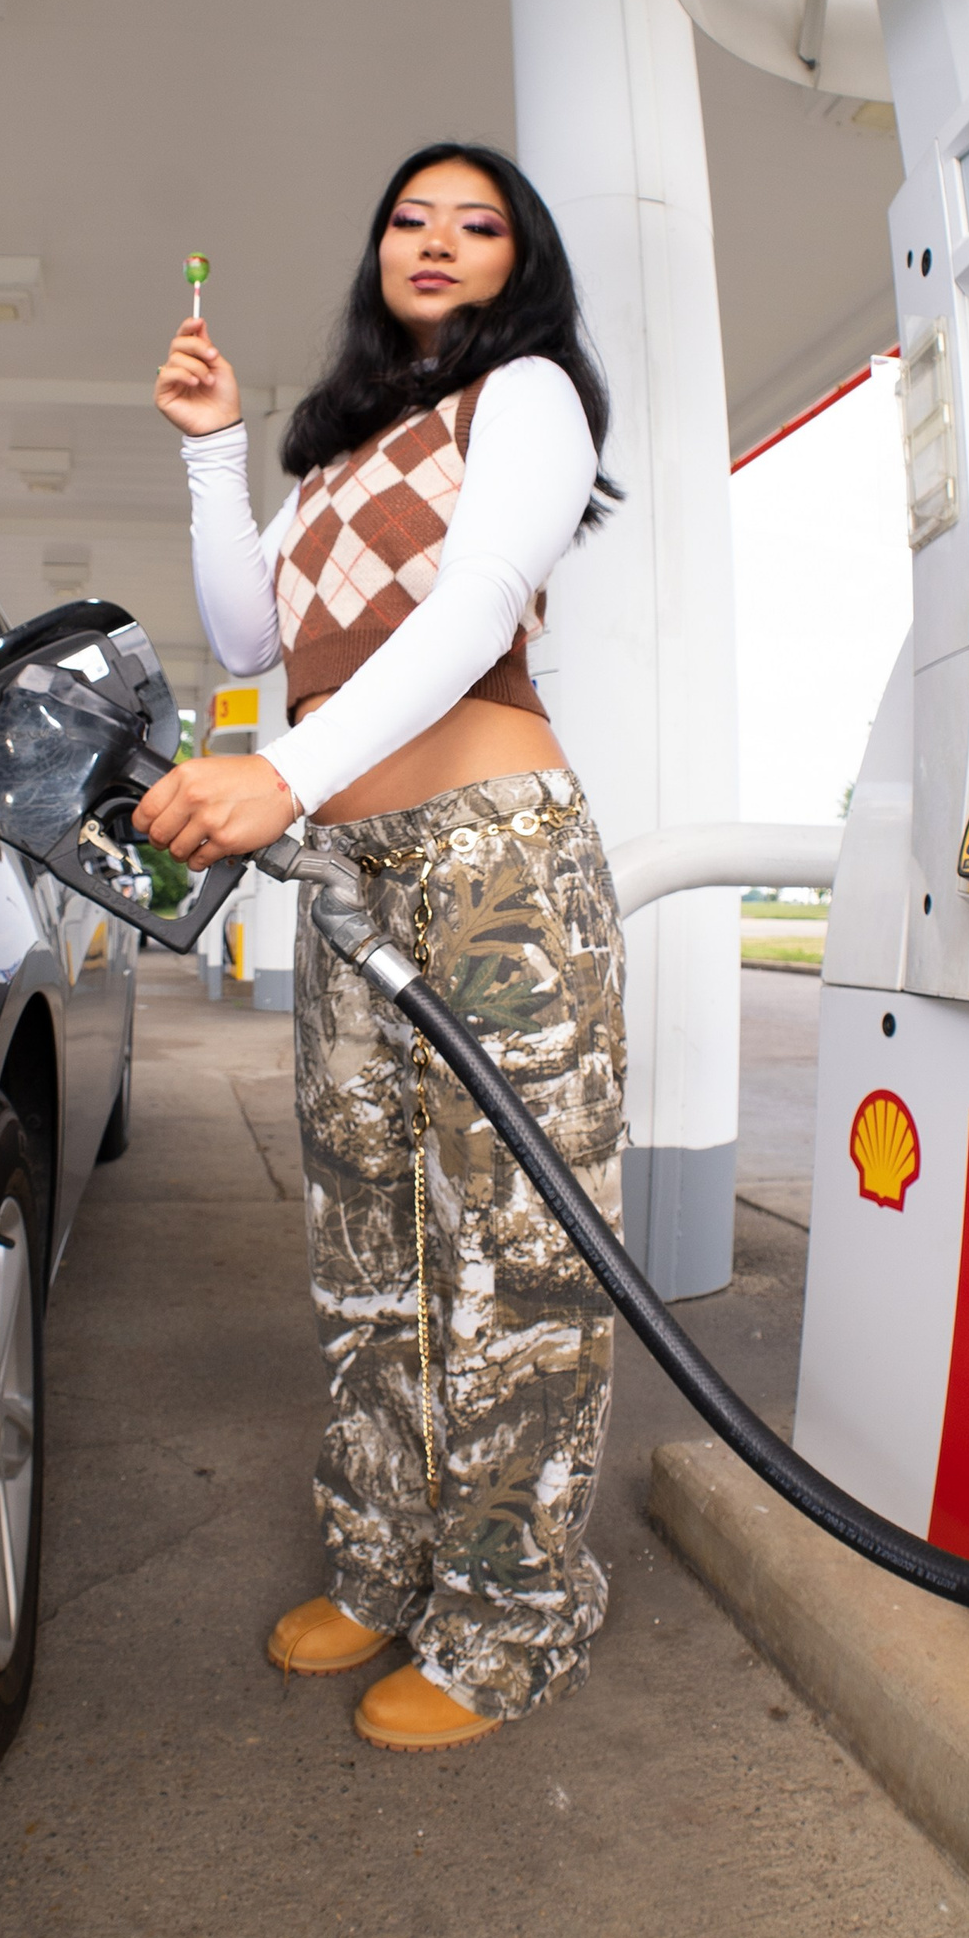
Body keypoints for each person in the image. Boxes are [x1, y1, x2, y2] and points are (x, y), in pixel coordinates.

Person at [138, 141, 627, 1755]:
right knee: (371, 1233)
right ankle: (383, 1557)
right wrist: (219, 456)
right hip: (350, 865)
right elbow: (246, 634)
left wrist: (282, 770)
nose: (438, 240)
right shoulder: (344, 448)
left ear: (517, 263)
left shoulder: (530, 397)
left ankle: (508, 1618)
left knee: (514, 1252)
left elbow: (481, 599)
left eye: (477, 224)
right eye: (411, 219)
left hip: (494, 863)